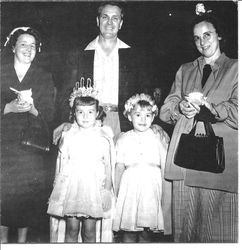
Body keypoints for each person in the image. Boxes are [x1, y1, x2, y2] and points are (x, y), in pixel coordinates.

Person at [159, 3, 238, 242]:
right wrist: (179, 109)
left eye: (207, 35)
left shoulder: (236, 68)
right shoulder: (185, 70)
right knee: (186, 235)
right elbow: (165, 110)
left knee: (220, 233)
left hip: (219, 162)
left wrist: (212, 109)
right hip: (186, 161)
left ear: (219, 35)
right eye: (196, 38)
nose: (202, 42)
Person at [56, 1, 150, 139]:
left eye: (115, 18)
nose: (110, 22)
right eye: (105, 17)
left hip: (124, 124)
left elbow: (145, 93)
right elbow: (65, 92)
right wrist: (66, 120)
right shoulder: (80, 54)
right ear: (98, 20)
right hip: (89, 122)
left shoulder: (133, 56)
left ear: (121, 23)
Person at [1, 27, 56, 243]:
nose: (28, 49)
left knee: (26, 198)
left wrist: (33, 109)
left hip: (31, 148)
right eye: (23, 44)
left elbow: (50, 114)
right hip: (4, 146)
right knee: (4, 196)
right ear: (13, 46)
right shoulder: (1, 71)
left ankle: (23, 244)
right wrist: (8, 108)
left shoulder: (44, 76)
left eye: (33, 46)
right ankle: (2, 242)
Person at [47, 84, 115, 243]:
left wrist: (106, 192)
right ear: (74, 113)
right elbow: (62, 164)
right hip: (73, 188)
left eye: (90, 112)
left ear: (98, 113)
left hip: (93, 188)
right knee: (71, 229)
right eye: (80, 112)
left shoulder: (103, 137)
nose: (85, 116)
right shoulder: (69, 135)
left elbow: (108, 165)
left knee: (89, 231)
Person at [113, 93, 171, 243]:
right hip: (130, 187)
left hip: (151, 187)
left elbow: (167, 162)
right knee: (129, 229)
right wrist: (117, 193)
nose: (143, 120)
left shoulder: (158, 136)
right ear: (129, 116)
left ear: (153, 117)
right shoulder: (123, 138)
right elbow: (119, 167)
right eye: (138, 115)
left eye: (148, 115)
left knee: (147, 231)